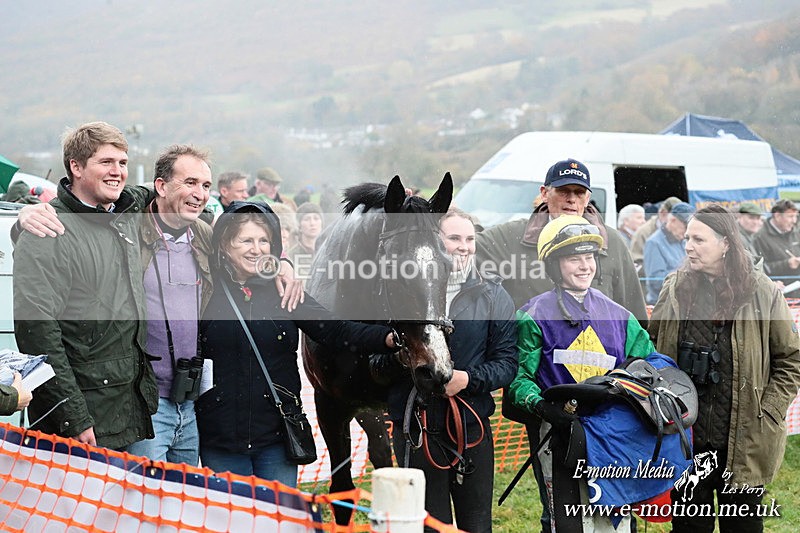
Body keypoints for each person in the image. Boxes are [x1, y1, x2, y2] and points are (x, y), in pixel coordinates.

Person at [196, 201, 400, 487]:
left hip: (276, 438)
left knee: (279, 520)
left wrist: (387, 339)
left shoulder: (284, 291)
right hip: (222, 438)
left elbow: (335, 330)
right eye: (246, 241)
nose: (257, 249)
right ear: (225, 245)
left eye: (264, 240)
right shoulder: (204, 290)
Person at [648, 204, 800, 533]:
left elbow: (791, 359)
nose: (688, 246)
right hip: (687, 441)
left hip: (743, 442)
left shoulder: (762, 293)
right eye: (687, 238)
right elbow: (651, 344)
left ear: (726, 244)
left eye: (699, 239)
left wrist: (768, 409)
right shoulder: (674, 289)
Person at [13, 121, 158, 449]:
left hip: (128, 408)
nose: (118, 172)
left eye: (123, 163)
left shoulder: (123, 211)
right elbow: (38, 334)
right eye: (106, 162)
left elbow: (159, 190)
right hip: (84, 418)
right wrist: (72, 415)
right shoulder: (46, 230)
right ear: (75, 167)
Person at [372, 208, 518, 532]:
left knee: (476, 525)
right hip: (417, 431)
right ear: (434, 244)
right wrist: (403, 360)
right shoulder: (400, 295)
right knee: (430, 526)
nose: (464, 246)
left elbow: (507, 364)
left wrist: (467, 379)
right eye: (454, 238)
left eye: (470, 239)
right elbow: (375, 368)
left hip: (471, 427)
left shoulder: (493, 295)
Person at [508, 215, 654, 533]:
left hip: (612, 437)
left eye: (589, 257)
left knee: (614, 524)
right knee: (569, 522)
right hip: (560, 435)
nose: (585, 266)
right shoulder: (532, 316)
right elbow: (518, 379)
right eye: (575, 259)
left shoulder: (621, 316)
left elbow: (649, 367)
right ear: (554, 264)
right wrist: (542, 406)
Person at [124, 145, 214, 466]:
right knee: (140, 503)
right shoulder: (127, 232)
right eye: (190, 182)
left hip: (191, 402)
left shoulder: (206, 235)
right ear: (161, 187)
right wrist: (28, 218)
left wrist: (283, 265)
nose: (199, 194)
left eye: (205, 185)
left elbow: (249, 257)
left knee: (183, 506)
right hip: (146, 403)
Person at [476, 158, 647, 322]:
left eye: (579, 192)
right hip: (530, 348)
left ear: (587, 199)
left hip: (596, 348)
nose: (571, 199)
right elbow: (463, 249)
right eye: (563, 190)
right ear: (544, 193)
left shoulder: (612, 242)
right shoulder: (511, 236)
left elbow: (633, 314)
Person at [643, 202, 694, 305]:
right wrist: (687, 278)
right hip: (663, 305)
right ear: (672, 220)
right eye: (685, 227)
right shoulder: (654, 243)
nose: (686, 232)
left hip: (681, 302)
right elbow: (656, 281)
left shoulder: (683, 240)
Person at [753, 199, 800, 295]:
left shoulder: (796, 232)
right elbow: (760, 268)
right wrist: (787, 264)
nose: (794, 221)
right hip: (777, 292)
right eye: (790, 216)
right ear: (777, 215)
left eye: (796, 216)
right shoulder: (760, 236)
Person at [629, 196, 682, 269]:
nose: (678, 223)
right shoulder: (643, 233)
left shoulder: (678, 231)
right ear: (663, 213)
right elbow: (636, 264)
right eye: (674, 219)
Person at [288, 202, 323, 267]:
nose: (312, 223)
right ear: (299, 225)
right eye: (306, 219)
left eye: (316, 218)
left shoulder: (328, 251)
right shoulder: (291, 256)